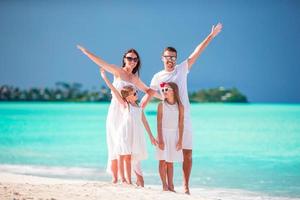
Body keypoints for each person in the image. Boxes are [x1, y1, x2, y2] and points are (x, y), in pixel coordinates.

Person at [141, 23, 223, 194]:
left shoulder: (182, 69)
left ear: (176, 59)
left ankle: (185, 186)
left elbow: (197, 52)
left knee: (187, 153)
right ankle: (167, 186)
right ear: (162, 58)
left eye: (173, 57)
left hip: (184, 118)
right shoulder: (157, 76)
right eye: (167, 57)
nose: (170, 60)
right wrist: (140, 106)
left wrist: (211, 36)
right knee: (165, 157)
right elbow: (151, 92)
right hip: (167, 122)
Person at [77, 45, 156, 183]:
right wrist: (86, 52)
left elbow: (150, 91)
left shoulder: (135, 78)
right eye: (130, 58)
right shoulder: (117, 71)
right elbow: (101, 62)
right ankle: (115, 179)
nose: (132, 61)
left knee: (128, 146)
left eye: (135, 59)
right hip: (115, 111)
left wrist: (144, 105)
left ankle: (130, 178)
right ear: (124, 59)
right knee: (114, 144)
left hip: (129, 114)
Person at [100, 68, 157, 185]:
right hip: (124, 133)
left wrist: (151, 136)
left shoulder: (139, 107)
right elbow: (114, 90)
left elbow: (145, 122)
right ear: (128, 96)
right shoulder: (125, 105)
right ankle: (124, 180)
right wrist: (105, 77)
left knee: (128, 157)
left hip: (133, 135)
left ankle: (128, 180)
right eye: (135, 93)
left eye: (136, 93)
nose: (137, 94)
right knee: (122, 155)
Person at [156, 82, 184, 192]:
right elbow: (159, 123)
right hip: (163, 134)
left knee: (170, 161)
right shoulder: (161, 105)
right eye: (163, 90)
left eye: (166, 89)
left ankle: (171, 185)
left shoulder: (180, 106)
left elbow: (181, 124)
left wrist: (180, 140)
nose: (164, 92)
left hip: (174, 135)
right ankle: (164, 185)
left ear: (174, 91)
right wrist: (160, 139)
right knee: (162, 160)